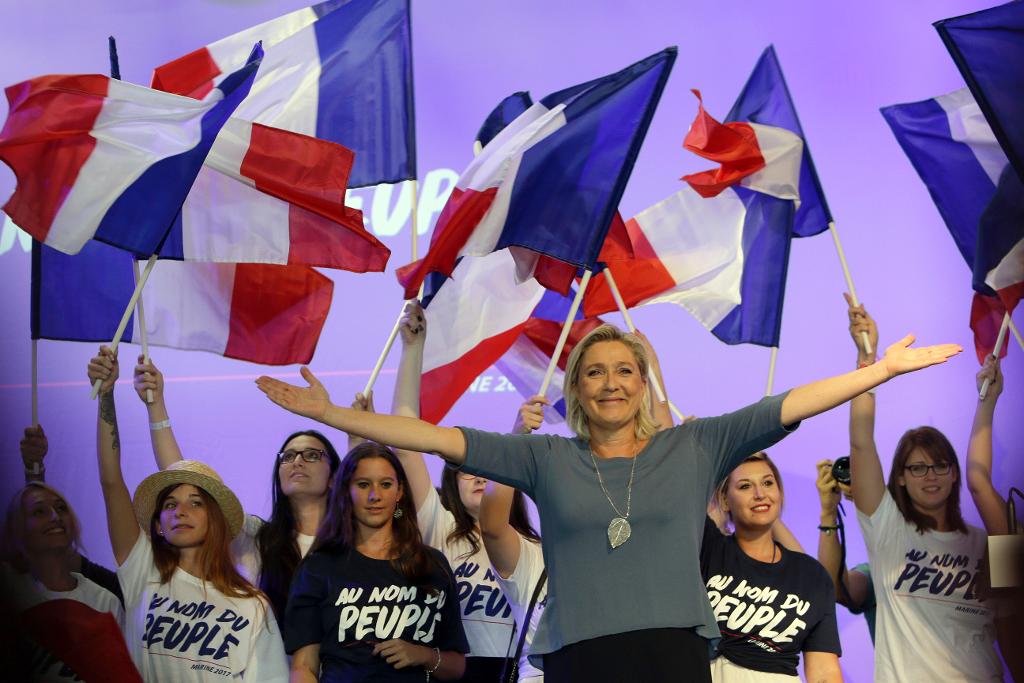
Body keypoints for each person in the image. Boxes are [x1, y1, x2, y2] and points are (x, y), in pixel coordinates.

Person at [256, 320, 959, 682]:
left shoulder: (696, 446)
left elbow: (791, 401)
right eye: (595, 371)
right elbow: (431, 435)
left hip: (674, 653)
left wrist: (880, 370)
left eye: (626, 369)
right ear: (577, 389)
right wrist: (342, 417)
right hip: (579, 656)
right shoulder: (546, 455)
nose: (612, 381)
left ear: (643, 382)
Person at [350, 302, 538, 681]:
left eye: (491, 470)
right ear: (451, 480)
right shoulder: (441, 525)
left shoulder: (535, 547)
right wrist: (412, 349)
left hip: (517, 671)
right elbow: (405, 440)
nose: (480, 477)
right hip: (447, 668)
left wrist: (518, 443)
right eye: (470, 470)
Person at [89, 347, 289, 682]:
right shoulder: (143, 570)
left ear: (216, 519)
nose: (181, 511)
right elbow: (111, 481)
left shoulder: (253, 605)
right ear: (159, 525)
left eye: (196, 502)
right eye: (170, 505)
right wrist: (106, 394)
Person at [844, 297, 1003, 681]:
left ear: (953, 474)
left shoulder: (987, 543)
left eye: (939, 466)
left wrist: (989, 399)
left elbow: (981, 482)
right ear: (899, 477)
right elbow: (861, 442)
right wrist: (870, 360)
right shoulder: (887, 530)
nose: (929, 476)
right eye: (916, 467)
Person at [133, 354, 342, 620]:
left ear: (335, 475)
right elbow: (184, 478)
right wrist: (156, 406)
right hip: (271, 661)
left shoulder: (353, 539)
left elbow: (398, 512)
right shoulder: (257, 538)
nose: (297, 461)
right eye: (288, 456)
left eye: (311, 455)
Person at [284, 442, 469, 682]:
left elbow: (457, 667)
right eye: (363, 485)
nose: (375, 496)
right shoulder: (318, 567)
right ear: (345, 491)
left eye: (386, 484)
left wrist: (424, 655)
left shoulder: (433, 564)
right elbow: (303, 667)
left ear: (399, 491)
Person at [1, 431, 133, 682]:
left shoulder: (105, 599)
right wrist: (34, 471)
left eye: (61, 508)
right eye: (40, 512)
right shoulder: (11, 589)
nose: (54, 516)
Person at [702, 453, 842, 682]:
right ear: (725, 500)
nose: (760, 494)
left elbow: (824, 673)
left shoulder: (811, 575)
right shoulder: (708, 551)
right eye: (745, 486)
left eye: (768, 483)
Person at [814, 459, 876, 643]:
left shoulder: (965, 548)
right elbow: (835, 589)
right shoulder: (882, 573)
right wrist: (829, 512)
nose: (930, 477)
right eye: (917, 469)